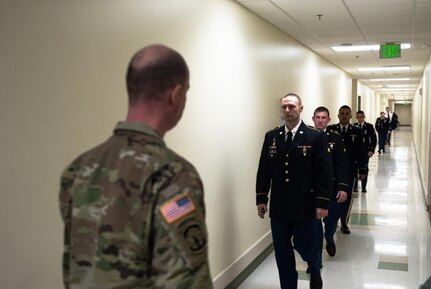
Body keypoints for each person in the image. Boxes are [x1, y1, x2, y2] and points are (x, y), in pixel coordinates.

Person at [59, 44, 213, 289]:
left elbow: (74, 265)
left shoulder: (78, 169)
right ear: (176, 94)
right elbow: (184, 281)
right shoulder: (173, 176)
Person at [256, 93, 333, 289]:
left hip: (305, 207)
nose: (287, 111)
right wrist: (261, 198)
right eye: (284, 107)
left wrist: (322, 203)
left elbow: (324, 173)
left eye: (291, 106)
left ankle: (315, 270)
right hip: (280, 208)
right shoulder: (272, 137)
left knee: (309, 249)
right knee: (282, 256)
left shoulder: (315, 136)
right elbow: (264, 169)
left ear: (301, 109)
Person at [312, 106, 349, 259]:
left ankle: (329, 237)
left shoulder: (335, 137)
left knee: (332, 220)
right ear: (313, 119)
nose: (320, 120)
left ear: (329, 120)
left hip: (331, 188)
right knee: (314, 226)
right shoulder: (308, 136)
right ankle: (316, 260)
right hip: (313, 189)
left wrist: (342, 186)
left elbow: (341, 163)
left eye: (323, 118)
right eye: (318, 117)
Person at [327, 105, 367, 235]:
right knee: (333, 197)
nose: (344, 116)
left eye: (347, 114)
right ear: (338, 116)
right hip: (332, 171)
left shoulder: (356, 131)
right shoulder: (331, 130)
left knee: (347, 197)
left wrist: (362, 169)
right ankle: (331, 221)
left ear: (350, 116)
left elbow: (362, 151)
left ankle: (344, 222)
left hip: (349, 171)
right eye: (342, 113)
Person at [353, 110, 377, 193]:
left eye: (361, 117)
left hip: (365, 152)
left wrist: (371, 150)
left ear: (364, 117)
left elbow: (373, 139)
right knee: (355, 169)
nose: (359, 118)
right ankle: (355, 187)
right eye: (358, 117)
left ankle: (363, 186)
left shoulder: (369, 126)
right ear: (356, 118)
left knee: (364, 168)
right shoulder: (353, 126)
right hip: (355, 152)